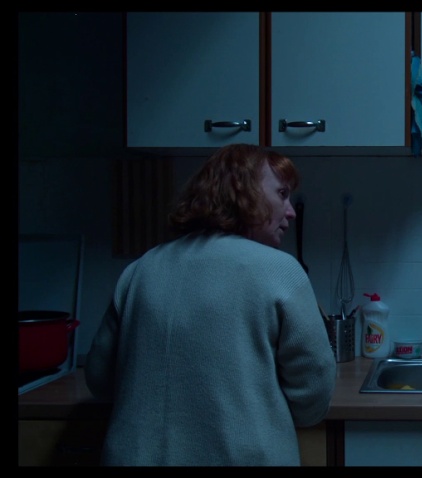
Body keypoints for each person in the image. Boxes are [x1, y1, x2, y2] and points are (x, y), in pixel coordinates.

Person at [85, 143, 337, 466]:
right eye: (282, 194)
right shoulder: (279, 271)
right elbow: (313, 390)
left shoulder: (140, 270)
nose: (290, 211)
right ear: (242, 190)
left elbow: (99, 378)